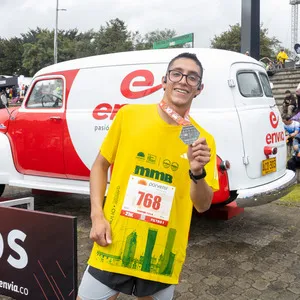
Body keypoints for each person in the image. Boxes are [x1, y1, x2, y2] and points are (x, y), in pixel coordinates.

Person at [77, 52, 219, 300]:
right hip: (114, 242)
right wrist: (96, 215)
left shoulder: (200, 140)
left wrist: (197, 172)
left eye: (192, 77)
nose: (183, 80)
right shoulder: (129, 115)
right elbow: (99, 166)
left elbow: (203, 205)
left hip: (161, 255)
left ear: (199, 89)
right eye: (177, 73)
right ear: (165, 80)